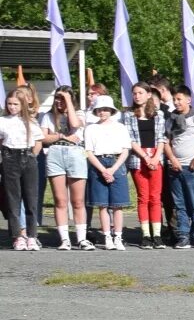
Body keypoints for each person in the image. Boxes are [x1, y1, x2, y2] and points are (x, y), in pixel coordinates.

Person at [164, 85, 194, 250]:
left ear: (188, 100)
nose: (176, 103)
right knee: (180, 204)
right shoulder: (171, 119)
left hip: (193, 168)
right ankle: (183, 235)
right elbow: (166, 142)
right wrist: (172, 158)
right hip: (176, 167)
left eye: (179, 99)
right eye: (174, 100)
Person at [82, 95, 132, 249]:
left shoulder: (120, 127)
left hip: (117, 163)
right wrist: (103, 170)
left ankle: (118, 236)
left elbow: (126, 150)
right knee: (102, 205)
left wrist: (113, 169)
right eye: (99, 110)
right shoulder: (91, 128)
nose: (102, 112)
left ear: (111, 111)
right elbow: (87, 152)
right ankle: (107, 236)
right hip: (98, 163)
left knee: (118, 205)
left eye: (105, 109)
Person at [40, 88, 88, 250]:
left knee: (78, 200)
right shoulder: (48, 116)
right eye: (58, 99)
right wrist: (60, 136)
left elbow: (75, 124)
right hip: (55, 154)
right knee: (60, 200)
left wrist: (68, 101)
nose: (59, 102)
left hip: (75, 154)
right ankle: (65, 239)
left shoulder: (79, 113)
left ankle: (81, 238)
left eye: (63, 99)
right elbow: (44, 137)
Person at [125, 84, 168, 249]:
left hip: (156, 158)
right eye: (134, 93)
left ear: (148, 95)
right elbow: (131, 140)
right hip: (138, 159)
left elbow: (161, 138)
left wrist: (156, 157)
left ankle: (157, 235)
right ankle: (146, 235)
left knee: (155, 198)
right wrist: (145, 157)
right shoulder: (129, 115)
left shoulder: (158, 114)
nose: (137, 96)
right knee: (143, 197)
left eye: (140, 93)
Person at [1, 87, 38, 249]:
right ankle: (18, 236)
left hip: (27, 157)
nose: (12, 107)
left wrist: (31, 156)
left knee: (30, 199)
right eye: (9, 104)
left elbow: (38, 142)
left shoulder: (29, 121)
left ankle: (32, 235)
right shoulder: (3, 121)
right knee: (13, 199)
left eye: (15, 104)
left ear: (22, 105)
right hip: (10, 158)